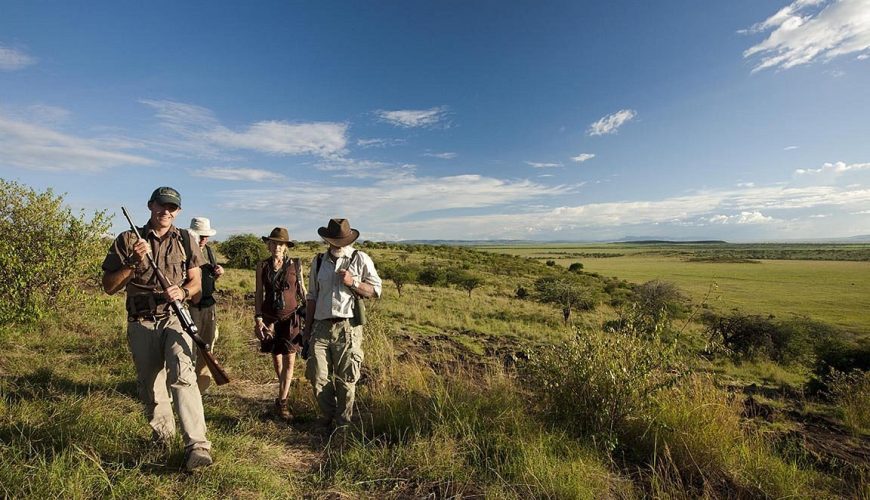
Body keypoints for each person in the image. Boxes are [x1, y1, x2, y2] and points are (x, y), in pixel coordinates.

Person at [101, 186, 213, 471]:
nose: (166, 211)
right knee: (151, 384)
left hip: (175, 316)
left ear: (178, 211)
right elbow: (109, 287)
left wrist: (183, 293)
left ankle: (197, 446)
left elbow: (196, 285)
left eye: (172, 207)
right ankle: (163, 437)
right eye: (161, 205)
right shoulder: (127, 239)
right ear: (150, 206)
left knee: (183, 375)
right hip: (141, 321)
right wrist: (133, 263)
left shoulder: (187, 240)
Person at [303, 218, 382, 430]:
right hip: (320, 325)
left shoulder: (360, 258)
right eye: (334, 241)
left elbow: (375, 290)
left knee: (346, 379)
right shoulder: (318, 261)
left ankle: (343, 424)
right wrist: (307, 328)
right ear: (328, 241)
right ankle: (326, 417)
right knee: (318, 376)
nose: (338, 245)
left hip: (348, 327)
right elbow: (311, 296)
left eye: (342, 241)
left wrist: (353, 282)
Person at [253, 227, 306, 420]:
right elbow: (259, 293)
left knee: (290, 359)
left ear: (285, 247)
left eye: (280, 244)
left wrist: (308, 313)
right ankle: (282, 393)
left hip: (291, 316)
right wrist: (258, 317)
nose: (276, 246)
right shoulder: (262, 266)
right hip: (269, 317)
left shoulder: (296, 265)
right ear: (268, 245)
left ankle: (283, 402)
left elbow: (302, 291)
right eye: (273, 243)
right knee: (276, 358)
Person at [187, 217, 224, 394]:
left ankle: (201, 389)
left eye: (206, 236)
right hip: (190, 307)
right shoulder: (184, 251)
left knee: (207, 348)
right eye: (200, 235)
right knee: (188, 349)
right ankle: (184, 386)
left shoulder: (209, 252)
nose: (203, 239)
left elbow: (210, 278)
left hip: (209, 305)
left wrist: (218, 274)